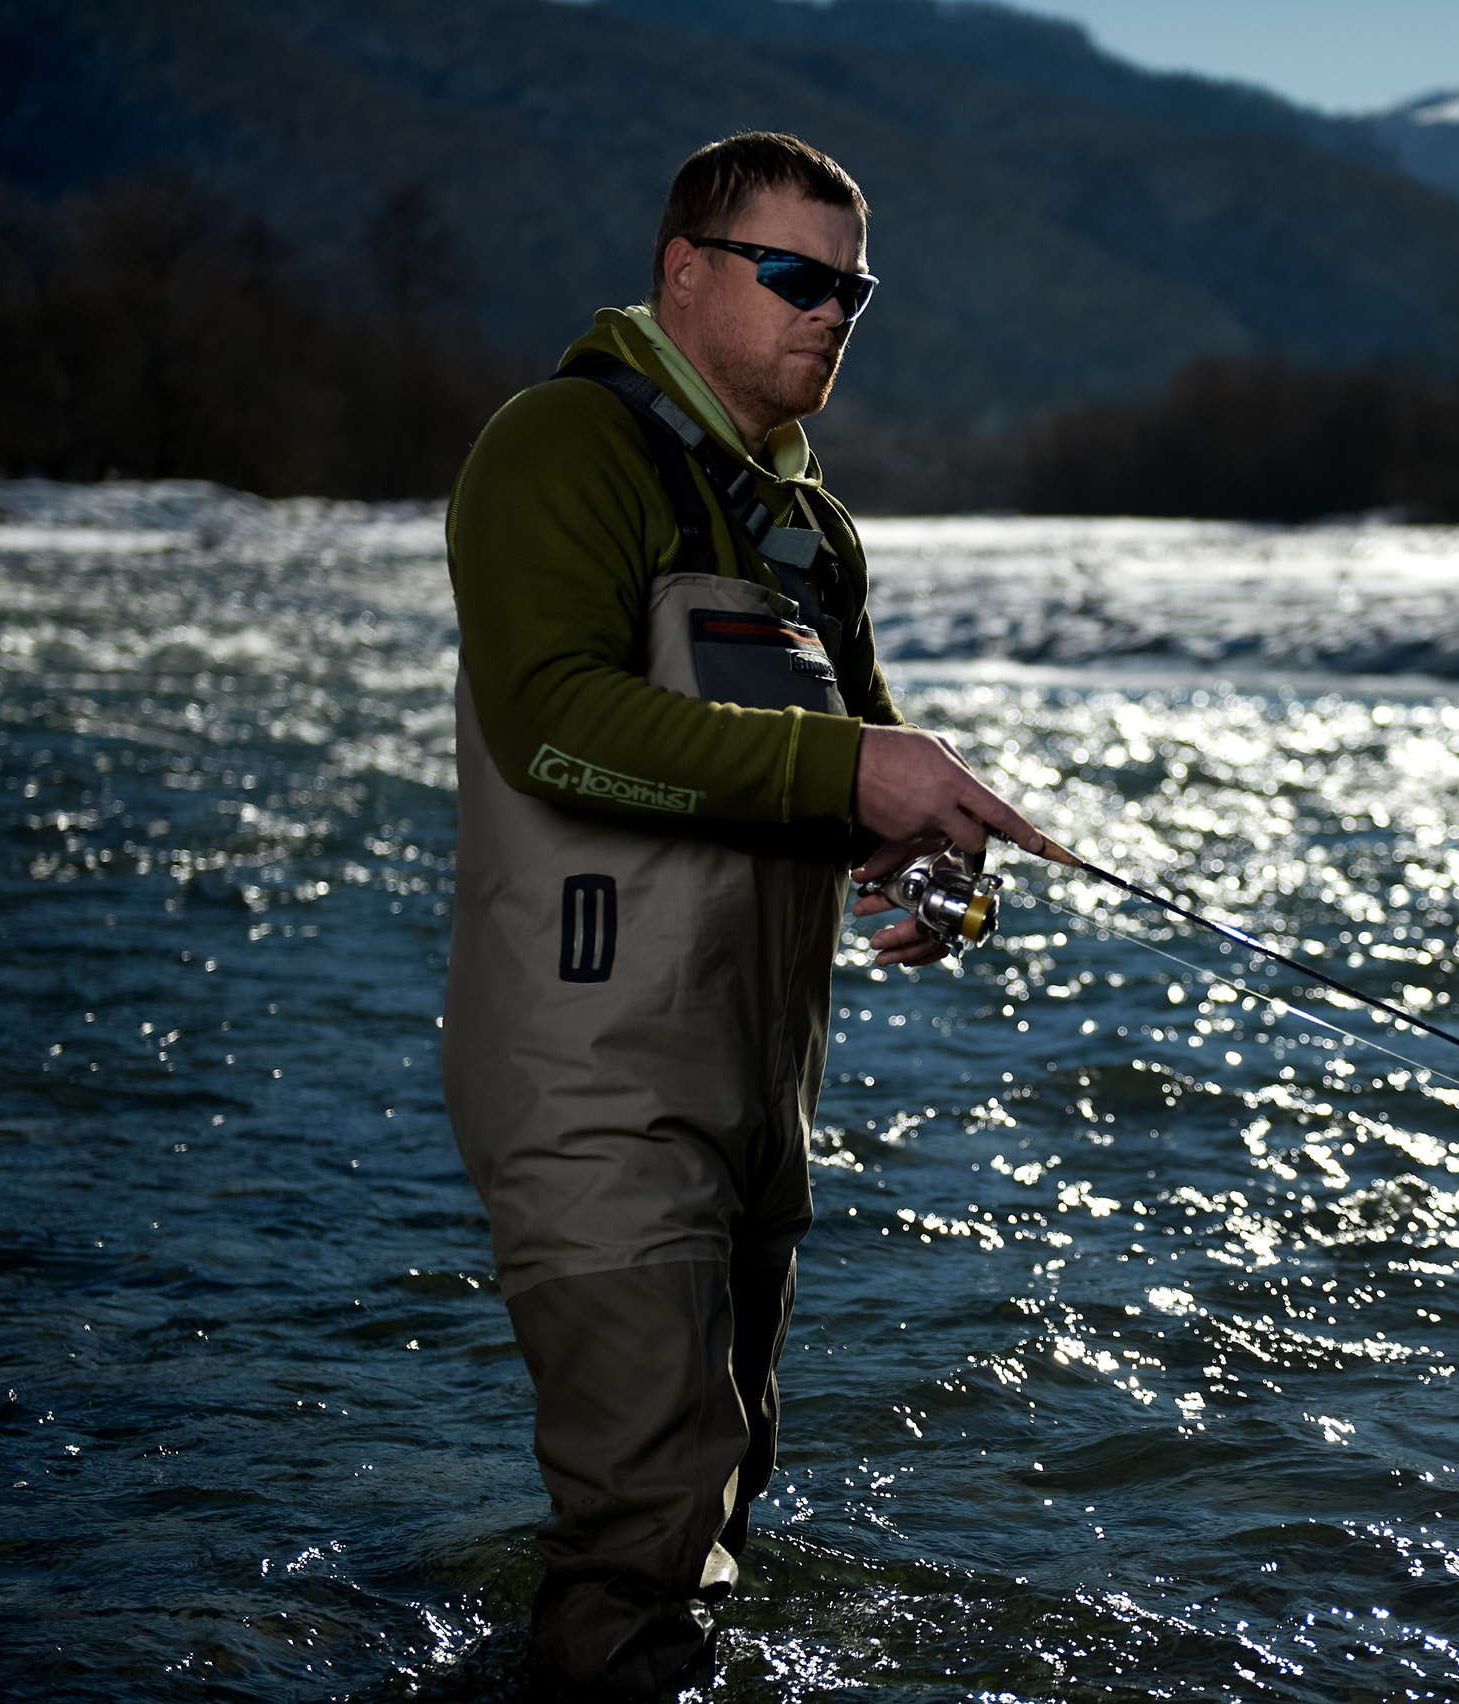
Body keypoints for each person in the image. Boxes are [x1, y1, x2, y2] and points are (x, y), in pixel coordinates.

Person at [440, 131, 1044, 1698]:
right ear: (685, 272)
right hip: (591, 1076)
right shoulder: (560, 447)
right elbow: (551, 723)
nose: (833, 312)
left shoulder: (807, 527)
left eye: (856, 291)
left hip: (758, 1090)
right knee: (646, 1519)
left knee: (721, 1495)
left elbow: (858, 782)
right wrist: (861, 765)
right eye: (798, 277)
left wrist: (932, 874)